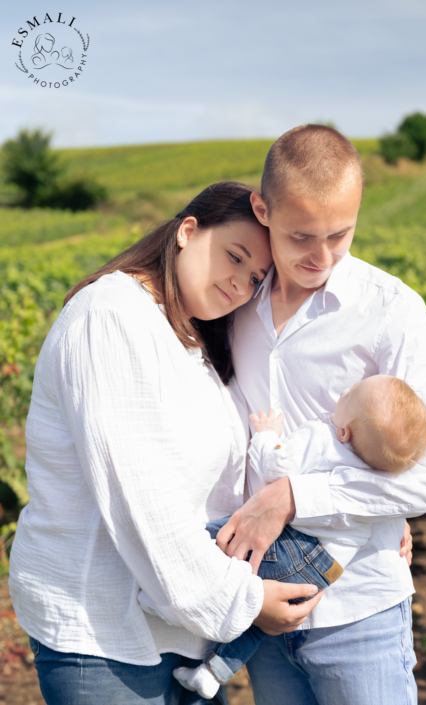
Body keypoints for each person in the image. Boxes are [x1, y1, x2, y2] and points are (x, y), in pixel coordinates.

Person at [8, 182, 323, 705]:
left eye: (254, 278)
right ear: (187, 230)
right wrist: (244, 600)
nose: (239, 285)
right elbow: (142, 503)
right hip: (105, 636)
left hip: (180, 628)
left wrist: (367, 514)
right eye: (234, 256)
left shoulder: (192, 336)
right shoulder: (109, 316)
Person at [214, 125, 426, 705]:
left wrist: (294, 496)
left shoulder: (393, 312)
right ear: (262, 209)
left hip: (361, 611)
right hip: (264, 613)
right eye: (301, 237)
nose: (321, 257)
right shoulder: (233, 301)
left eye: (340, 235)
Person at [170, 375, 426, 700]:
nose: (344, 390)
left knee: (210, 540)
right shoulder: (378, 472)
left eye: (349, 393)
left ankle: (163, 599)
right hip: (328, 570)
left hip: (296, 548)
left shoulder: (325, 437)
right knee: (261, 617)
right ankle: (212, 674)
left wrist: (267, 435)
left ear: (344, 432)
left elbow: (277, 467)